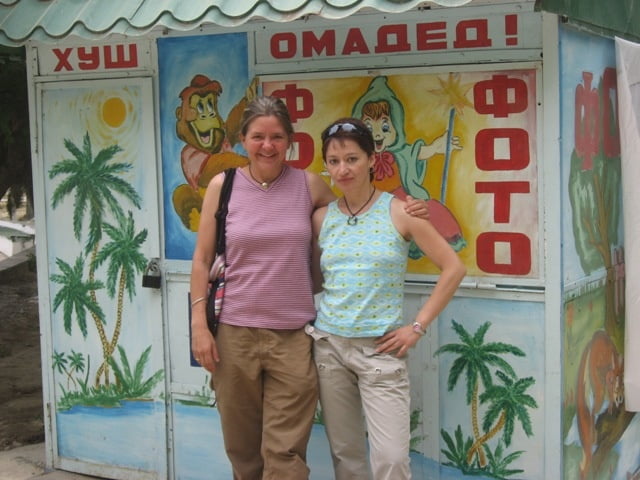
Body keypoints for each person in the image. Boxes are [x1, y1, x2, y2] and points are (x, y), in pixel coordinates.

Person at [189, 97, 430, 480]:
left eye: (277, 137)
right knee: (242, 449)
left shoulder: (309, 184)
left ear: (290, 140)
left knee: (284, 452)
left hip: (293, 340)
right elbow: (202, 259)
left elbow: (358, 213)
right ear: (242, 139)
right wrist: (199, 327)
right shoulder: (224, 186)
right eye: (257, 136)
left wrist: (406, 207)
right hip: (234, 335)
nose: (267, 145)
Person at [308, 117, 466, 480]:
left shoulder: (401, 211)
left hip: (380, 351)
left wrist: (417, 327)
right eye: (334, 161)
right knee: (346, 455)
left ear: (371, 158)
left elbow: (453, 268)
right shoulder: (321, 218)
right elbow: (312, 277)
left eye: (352, 159)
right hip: (330, 348)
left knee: (392, 459)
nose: (343, 169)